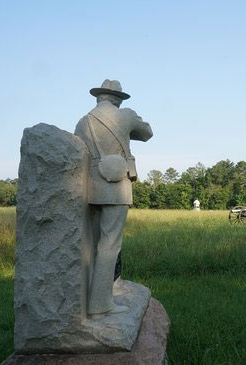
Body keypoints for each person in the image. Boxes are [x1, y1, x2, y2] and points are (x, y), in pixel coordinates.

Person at [75, 79, 153, 315]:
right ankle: (101, 303)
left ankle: (88, 300)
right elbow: (147, 133)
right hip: (117, 185)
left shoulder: (83, 121)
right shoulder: (126, 115)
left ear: (99, 97)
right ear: (118, 99)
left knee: (93, 245)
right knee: (110, 245)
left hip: (92, 186)